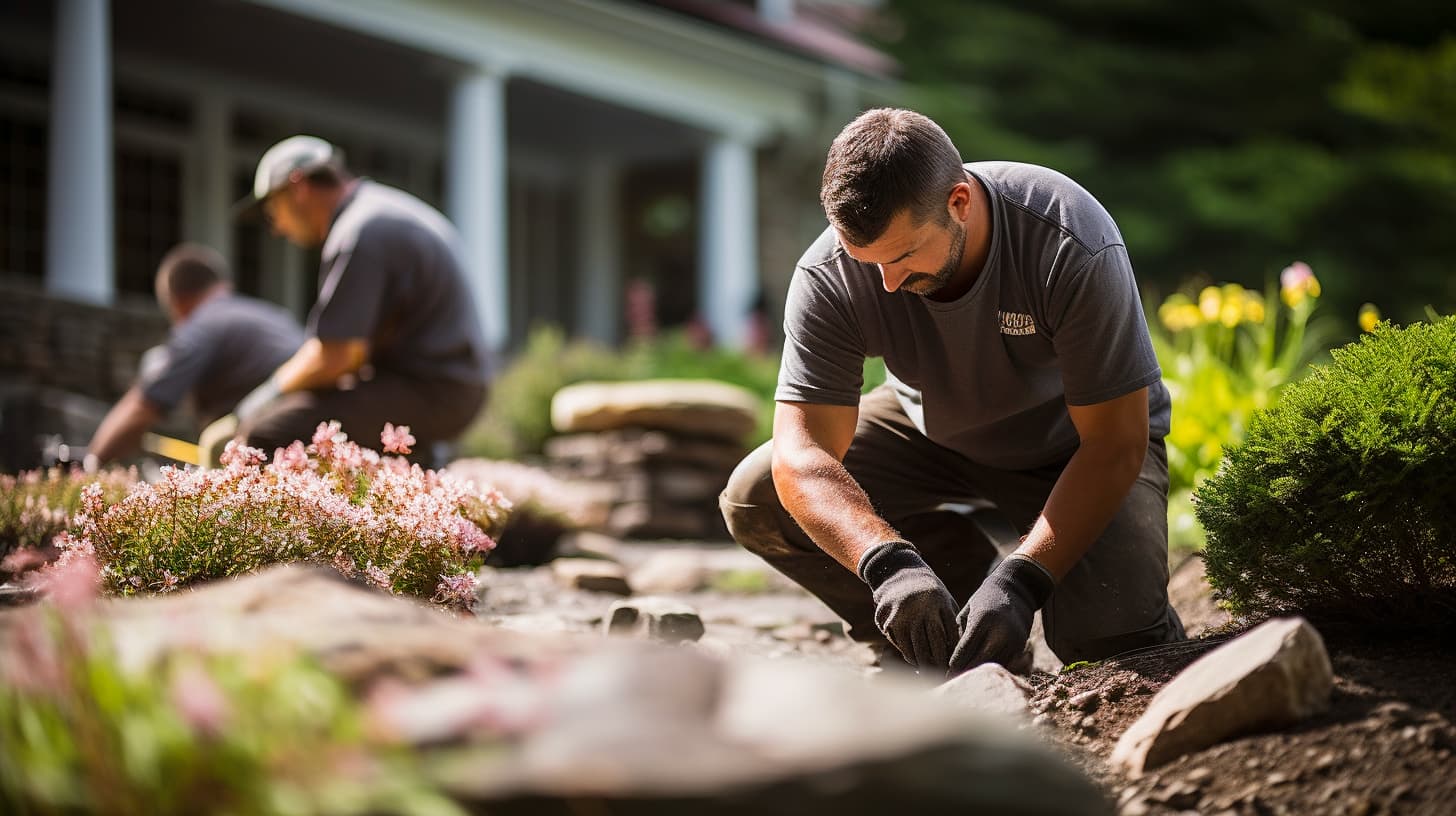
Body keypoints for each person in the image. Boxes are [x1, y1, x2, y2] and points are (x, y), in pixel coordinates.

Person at [720, 109, 1185, 677]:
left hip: (1075, 449)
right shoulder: (831, 273)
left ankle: (1027, 605)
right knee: (759, 497)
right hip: (932, 433)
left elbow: (1115, 441)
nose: (887, 282)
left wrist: (1023, 578)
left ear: (959, 202)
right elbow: (802, 454)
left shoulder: (1067, 238)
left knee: (1114, 645)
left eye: (902, 255)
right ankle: (943, 632)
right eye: (867, 260)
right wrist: (885, 563)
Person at [224, 135, 492, 461]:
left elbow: (336, 357)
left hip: (435, 389)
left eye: (272, 212)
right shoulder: (376, 210)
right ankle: (418, 462)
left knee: (267, 433)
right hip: (452, 384)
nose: (277, 227)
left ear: (298, 187)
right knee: (315, 417)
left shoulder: (357, 231)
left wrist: (263, 398)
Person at [85, 243, 303, 466]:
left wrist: (91, 462)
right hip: (313, 428)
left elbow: (142, 407)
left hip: (279, 435)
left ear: (176, 302)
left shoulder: (199, 327)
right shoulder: (271, 314)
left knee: (215, 445)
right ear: (223, 285)